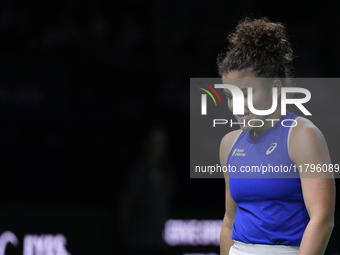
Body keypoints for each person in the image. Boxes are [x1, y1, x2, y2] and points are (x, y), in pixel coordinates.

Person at [218, 17, 335, 255]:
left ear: (276, 88)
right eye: (230, 96)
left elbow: (322, 220)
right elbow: (229, 219)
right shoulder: (229, 143)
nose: (235, 106)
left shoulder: (303, 136)